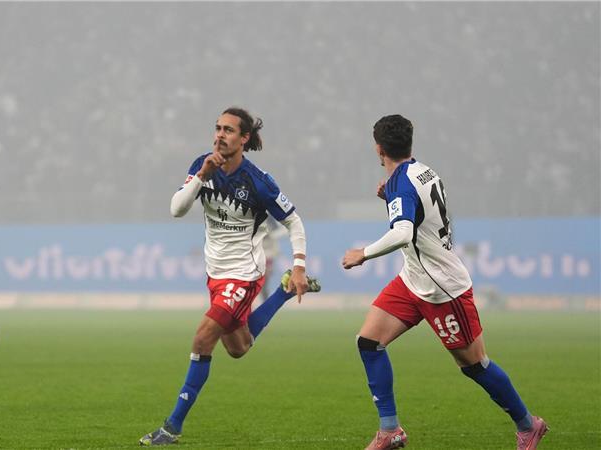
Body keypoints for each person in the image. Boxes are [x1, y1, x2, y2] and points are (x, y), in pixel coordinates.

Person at [341, 115, 548, 450]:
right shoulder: (424, 170)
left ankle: (529, 425)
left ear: (378, 149)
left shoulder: (400, 182)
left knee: (474, 365)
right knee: (369, 342)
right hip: (413, 280)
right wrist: (393, 201)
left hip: (442, 289)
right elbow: (420, 215)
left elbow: (404, 231)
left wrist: (363, 254)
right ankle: (390, 430)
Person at [140, 107, 320, 446]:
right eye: (217, 128)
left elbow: (294, 221)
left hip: (244, 274)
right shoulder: (202, 165)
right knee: (238, 348)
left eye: (228, 130)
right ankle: (281, 293)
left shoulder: (258, 181)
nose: (220, 135)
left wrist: (298, 264)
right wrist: (201, 176)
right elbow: (176, 210)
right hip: (215, 273)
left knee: (202, 338)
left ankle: (172, 427)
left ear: (244, 138)